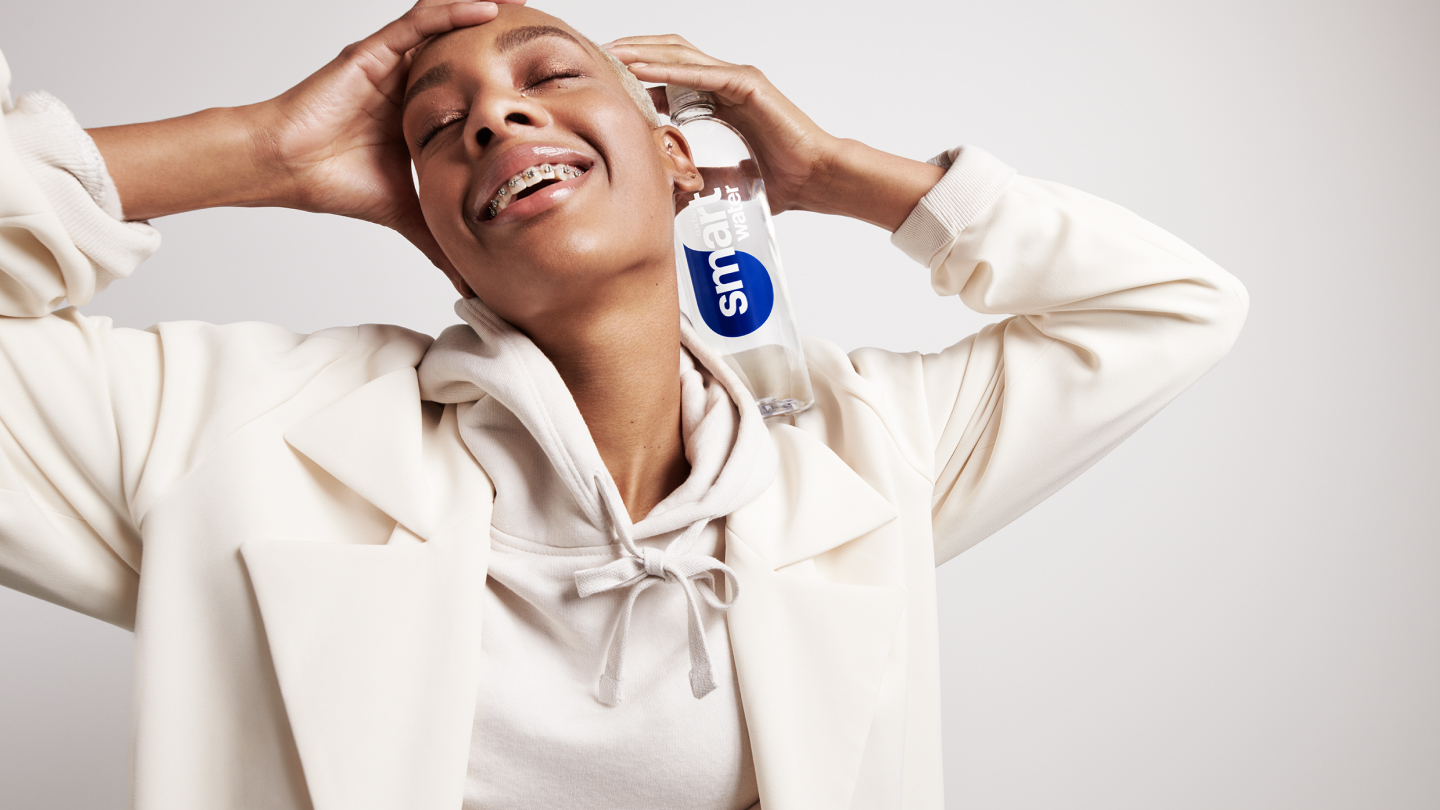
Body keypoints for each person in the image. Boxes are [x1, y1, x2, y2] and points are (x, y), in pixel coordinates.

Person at [0, 1, 1249, 807]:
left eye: (547, 75)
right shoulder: (241, 435)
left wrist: (832, 175)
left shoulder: (861, 459)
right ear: (429, 222)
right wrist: (252, 150)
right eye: (439, 131)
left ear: (677, 154)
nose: (495, 111)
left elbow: (1174, 306)